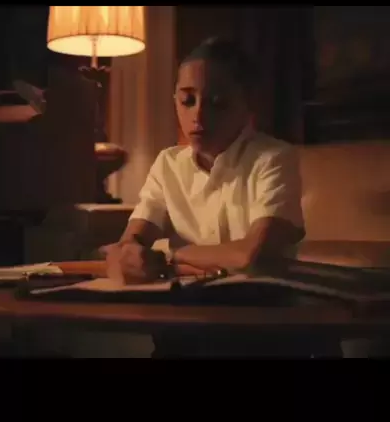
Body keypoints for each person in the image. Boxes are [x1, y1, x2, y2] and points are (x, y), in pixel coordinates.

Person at [101, 36, 338, 357]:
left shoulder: (273, 158)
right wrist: (126, 256)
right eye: (187, 100)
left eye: (218, 102)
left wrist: (169, 256)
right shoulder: (168, 164)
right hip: (187, 319)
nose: (198, 114)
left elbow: (250, 256)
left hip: (261, 325)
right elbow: (131, 242)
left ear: (248, 104)